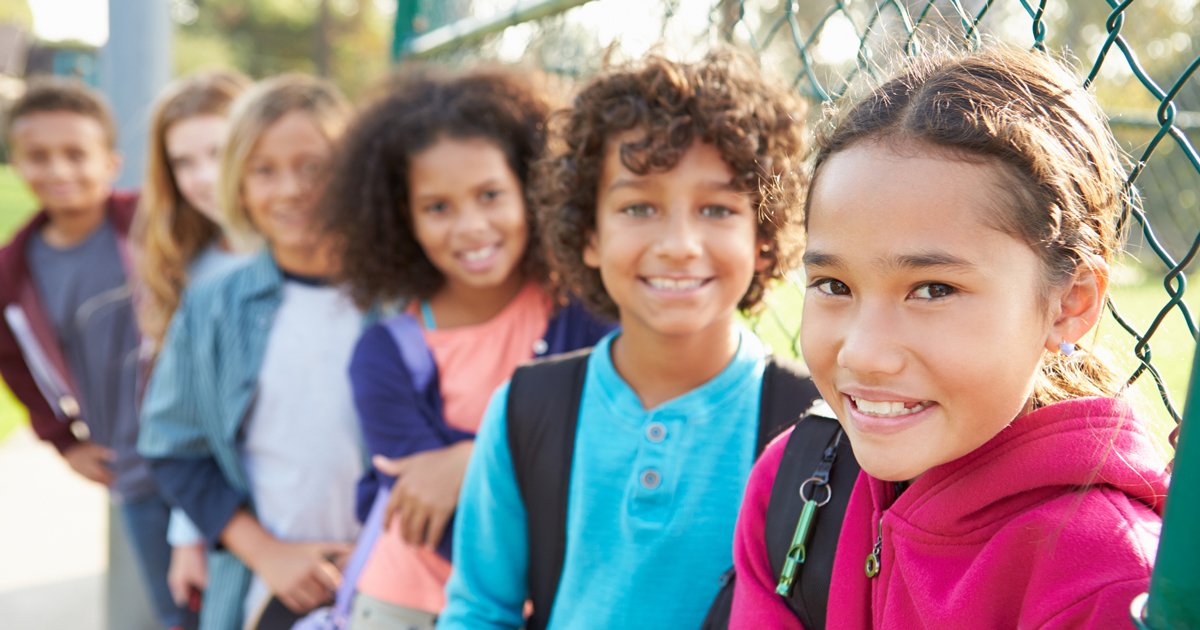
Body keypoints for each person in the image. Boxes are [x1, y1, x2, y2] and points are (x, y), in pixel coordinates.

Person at [729, 46, 1169, 629]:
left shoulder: (1109, 583)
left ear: (1070, 304)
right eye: (833, 284)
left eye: (933, 289)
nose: (863, 352)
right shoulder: (793, 483)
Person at [437, 50, 817, 630]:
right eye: (639, 206)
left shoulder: (812, 430)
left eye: (716, 208)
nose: (679, 244)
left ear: (763, 239)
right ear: (588, 234)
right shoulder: (526, 408)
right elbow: (478, 610)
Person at [321, 68, 614, 630]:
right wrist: (523, 458)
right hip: (405, 604)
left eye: (489, 195)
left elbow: (605, 448)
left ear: (534, 190)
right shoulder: (383, 356)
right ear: (400, 218)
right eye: (438, 207)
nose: (471, 227)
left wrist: (465, 459)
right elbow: (434, 516)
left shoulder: (585, 314)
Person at [137, 75, 363, 630]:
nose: (290, 190)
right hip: (266, 591)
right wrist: (264, 552)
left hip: (397, 582)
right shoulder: (212, 308)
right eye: (264, 171)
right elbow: (173, 449)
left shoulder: (405, 298)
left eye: (313, 166)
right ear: (239, 185)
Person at [0, 78, 198, 629]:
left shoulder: (157, 225)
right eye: (38, 157)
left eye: (75, 154)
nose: (59, 170)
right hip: (132, 468)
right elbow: (12, 361)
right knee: (176, 612)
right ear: (16, 164)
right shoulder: (12, 272)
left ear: (110, 162)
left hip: (206, 454)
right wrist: (63, 440)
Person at [131, 68, 254, 614]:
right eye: (184, 163)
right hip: (235, 522)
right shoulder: (198, 274)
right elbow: (191, 428)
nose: (206, 177)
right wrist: (189, 533)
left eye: (219, 151)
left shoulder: (324, 261)